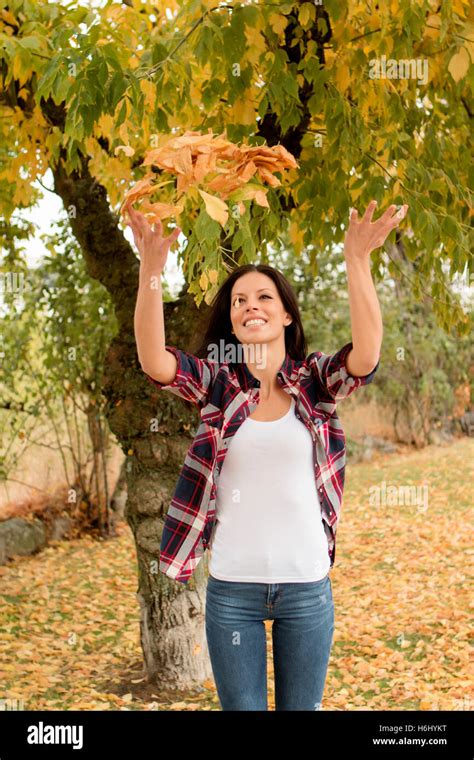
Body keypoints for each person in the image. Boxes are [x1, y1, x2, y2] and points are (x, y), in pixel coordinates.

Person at [129, 199, 407, 711]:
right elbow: (155, 360)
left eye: (263, 297)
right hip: (233, 591)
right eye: (239, 301)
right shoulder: (218, 386)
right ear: (232, 323)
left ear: (284, 314)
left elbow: (364, 357)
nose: (251, 305)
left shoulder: (315, 383)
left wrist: (357, 260)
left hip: (307, 589)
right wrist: (151, 273)